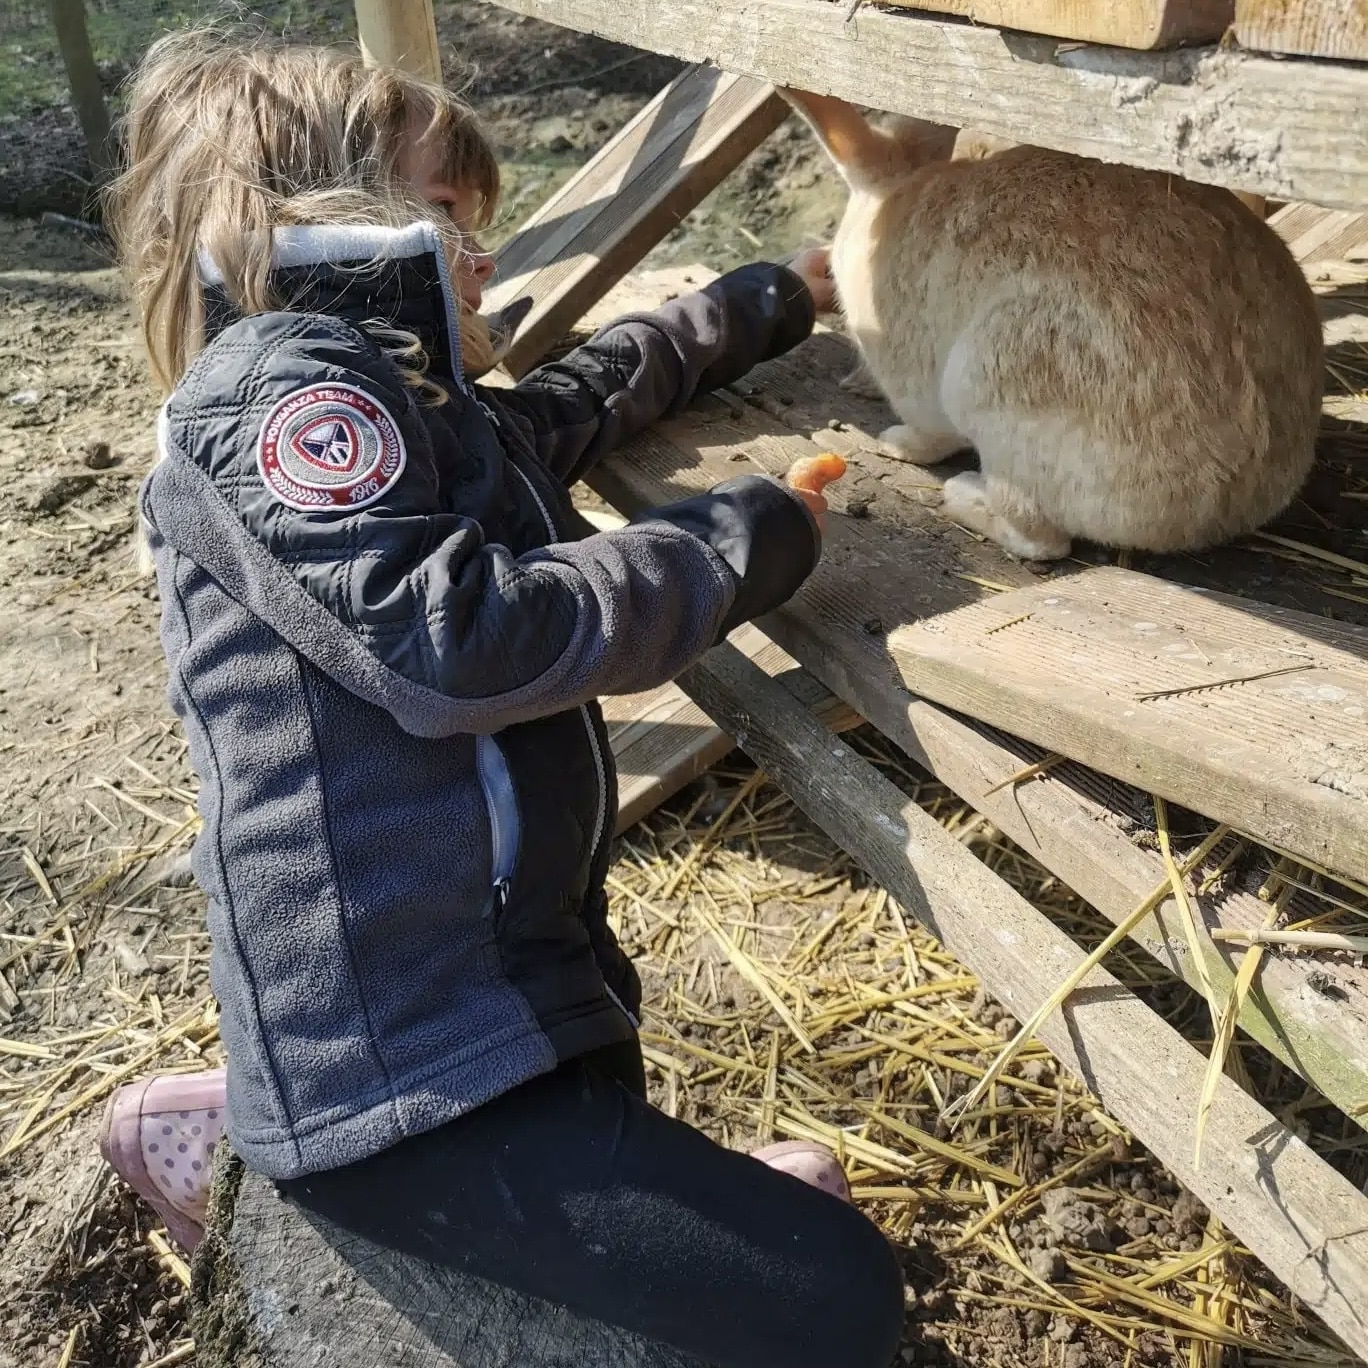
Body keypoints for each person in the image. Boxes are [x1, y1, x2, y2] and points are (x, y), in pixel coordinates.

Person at [97, 28, 904, 1368]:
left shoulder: (428, 406)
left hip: (500, 999)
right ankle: (276, 1156)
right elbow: (449, 642)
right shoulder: (276, 396)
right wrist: (722, 549)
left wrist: (773, 297)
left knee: (704, 1209)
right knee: (838, 1307)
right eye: (453, 212)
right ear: (319, 205)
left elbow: (584, 396)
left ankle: (610, 1226)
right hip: (394, 1073)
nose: (483, 255)